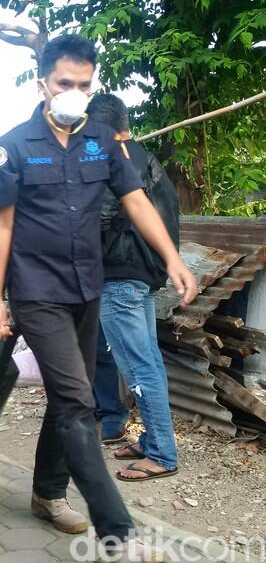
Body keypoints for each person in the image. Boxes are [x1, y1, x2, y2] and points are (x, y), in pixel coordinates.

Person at [0, 34, 196, 562]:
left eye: (84, 84)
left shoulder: (103, 140)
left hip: (87, 287)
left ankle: (46, 493)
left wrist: (171, 257)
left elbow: (135, 200)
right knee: (79, 405)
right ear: (43, 84)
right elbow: (2, 228)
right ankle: (119, 534)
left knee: (65, 401)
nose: (74, 93)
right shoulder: (12, 146)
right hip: (36, 292)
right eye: (64, 83)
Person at [88, 93, 180, 482]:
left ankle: (161, 453)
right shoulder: (149, 159)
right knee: (149, 362)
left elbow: (104, 218)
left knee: (138, 366)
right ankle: (151, 441)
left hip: (120, 277)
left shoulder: (112, 160)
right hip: (144, 275)